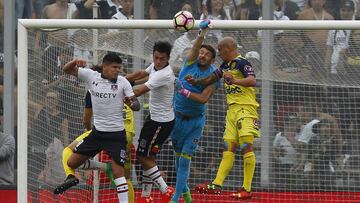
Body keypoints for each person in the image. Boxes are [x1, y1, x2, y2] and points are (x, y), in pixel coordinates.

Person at [55, 53, 140, 203]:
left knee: (119, 173)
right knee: (71, 162)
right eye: (114, 67)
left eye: (119, 68)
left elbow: (137, 105)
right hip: (97, 134)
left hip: (116, 135)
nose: (117, 71)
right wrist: (75, 61)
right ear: (105, 66)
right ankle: (102, 167)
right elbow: (66, 69)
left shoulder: (123, 82)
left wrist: (131, 103)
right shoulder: (91, 76)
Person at [186, 36, 260, 200]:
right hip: (232, 112)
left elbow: (252, 80)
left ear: (228, 48)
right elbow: (211, 78)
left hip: (246, 110)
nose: (218, 53)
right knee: (228, 147)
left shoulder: (242, 63)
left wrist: (235, 80)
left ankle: (246, 188)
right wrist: (196, 81)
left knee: (246, 146)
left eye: (220, 50)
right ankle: (217, 184)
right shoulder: (225, 65)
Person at [169, 19, 218, 203]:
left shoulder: (213, 76)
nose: (202, 55)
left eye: (206, 55)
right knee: (178, 157)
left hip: (195, 122)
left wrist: (184, 91)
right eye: (201, 52)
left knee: (184, 160)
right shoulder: (189, 63)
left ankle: (175, 198)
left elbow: (204, 98)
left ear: (212, 60)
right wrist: (202, 33)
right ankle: (187, 195)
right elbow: (196, 47)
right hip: (177, 118)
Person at [126, 41, 175, 203]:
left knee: (141, 155)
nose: (158, 61)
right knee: (149, 156)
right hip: (154, 119)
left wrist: (117, 89)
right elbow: (141, 73)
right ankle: (146, 196)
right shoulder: (155, 66)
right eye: (156, 57)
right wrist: (121, 79)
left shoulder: (165, 74)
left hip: (160, 123)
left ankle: (165, 189)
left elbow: (140, 90)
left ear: (168, 58)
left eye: (162, 58)